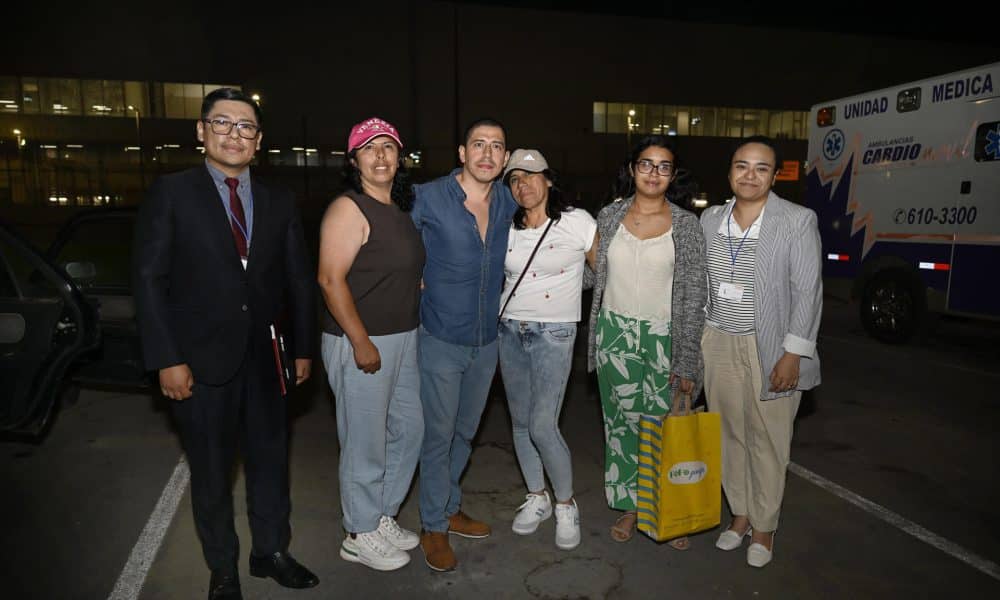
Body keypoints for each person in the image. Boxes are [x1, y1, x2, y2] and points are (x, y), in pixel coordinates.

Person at [132, 87, 318, 600]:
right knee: (212, 471)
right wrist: (167, 358)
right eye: (223, 123)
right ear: (201, 131)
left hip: (267, 361)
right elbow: (149, 279)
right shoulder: (172, 192)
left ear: (259, 141)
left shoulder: (280, 201)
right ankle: (223, 567)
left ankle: (271, 551)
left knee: (270, 463)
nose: (235, 135)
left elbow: (299, 279)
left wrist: (302, 349)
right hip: (199, 360)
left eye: (246, 127)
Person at [701, 135, 822, 568]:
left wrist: (793, 353)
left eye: (761, 168)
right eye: (741, 166)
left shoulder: (796, 220)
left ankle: (765, 528)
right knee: (729, 434)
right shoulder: (711, 219)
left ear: (775, 174)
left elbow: (807, 291)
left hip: (769, 345)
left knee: (769, 439)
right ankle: (740, 515)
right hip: (717, 342)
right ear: (730, 171)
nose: (749, 175)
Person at [585, 135, 707, 549]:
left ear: (672, 175)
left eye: (664, 166)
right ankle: (631, 506)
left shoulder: (687, 225)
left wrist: (688, 360)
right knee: (620, 426)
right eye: (646, 164)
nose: (654, 173)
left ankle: (668, 510)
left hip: (662, 339)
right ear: (632, 169)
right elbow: (592, 276)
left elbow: (694, 296)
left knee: (662, 426)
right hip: (613, 336)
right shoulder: (608, 216)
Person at [317, 117, 425, 572]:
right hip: (361, 340)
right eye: (369, 148)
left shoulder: (396, 209)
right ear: (354, 159)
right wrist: (360, 340)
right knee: (365, 442)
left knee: (409, 430)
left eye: (389, 148)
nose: (380, 156)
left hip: (402, 337)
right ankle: (357, 533)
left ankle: (378, 515)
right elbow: (329, 278)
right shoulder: (349, 207)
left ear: (399, 158)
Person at [411, 118, 516, 572]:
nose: (487, 154)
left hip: (485, 340)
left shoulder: (511, 199)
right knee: (437, 436)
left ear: (506, 158)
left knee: (465, 434)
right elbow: (396, 247)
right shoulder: (428, 197)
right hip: (439, 337)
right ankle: (432, 525)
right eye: (479, 144)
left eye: (496, 146)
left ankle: (449, 506)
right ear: (461, 152)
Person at [497, 149, 597, 551]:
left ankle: (565, 502)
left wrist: (570, 294)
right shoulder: (506, 226)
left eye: (531, 175)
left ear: (548, 179)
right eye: (515, 179)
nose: (524, 185)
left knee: (542, 424)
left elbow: (603, 272)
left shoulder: (576, 221)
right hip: (509, 330)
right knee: (520, 422)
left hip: (554, 332)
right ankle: (536, 496)